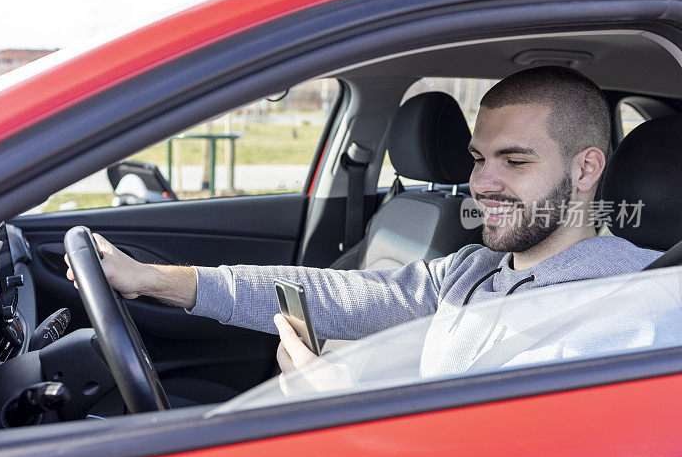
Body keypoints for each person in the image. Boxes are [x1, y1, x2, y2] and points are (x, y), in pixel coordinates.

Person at [66, 66, 662, 380]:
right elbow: (338, 294)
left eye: (516, 161)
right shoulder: (474, 269)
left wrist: (342, 406)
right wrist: (154, 279)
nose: (482, 184)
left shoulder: (634, 304)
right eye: (480, 159)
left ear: (586, 171)